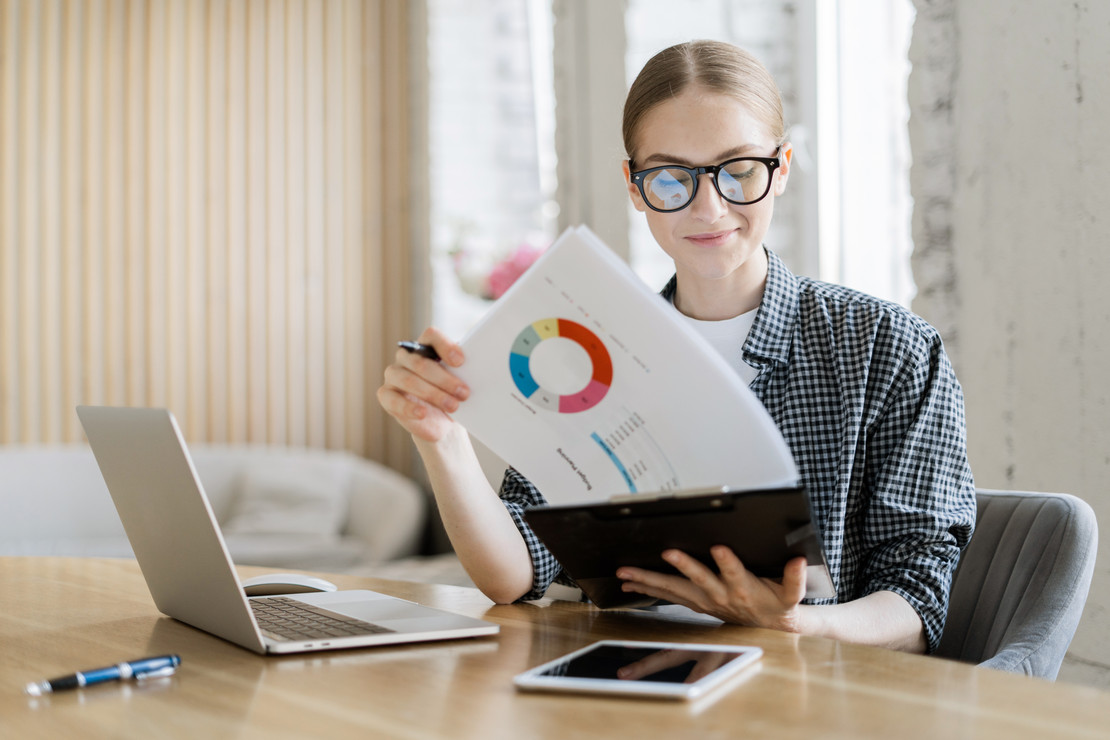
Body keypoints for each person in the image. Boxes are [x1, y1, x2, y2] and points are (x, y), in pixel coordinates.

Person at [378, 40, 976, 654]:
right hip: (619, 679)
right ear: (635, 188)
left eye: (739, 171)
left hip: (807, 693)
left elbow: (918, 600)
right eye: (670, 178)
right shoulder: (586, 353)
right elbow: (515, 575)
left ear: (783, 167)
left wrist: (794, 625)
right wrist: (443, 441)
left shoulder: (886, 348)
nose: (709, 207)